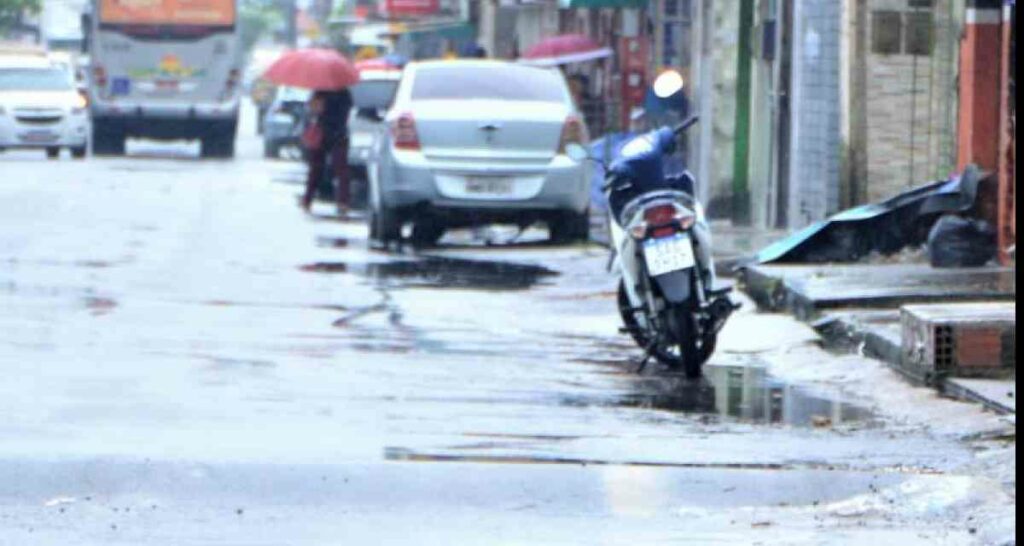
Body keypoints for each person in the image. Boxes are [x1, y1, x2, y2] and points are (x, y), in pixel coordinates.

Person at [301, 88, 353, 215]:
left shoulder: (320, 91)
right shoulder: (345, 93)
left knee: (316, 169)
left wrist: (316, 106)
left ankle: (308, 200)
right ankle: (343, 202)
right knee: (340, 170)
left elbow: (313, 111)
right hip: (339, 134)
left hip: (325, 133)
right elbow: (347, 112)